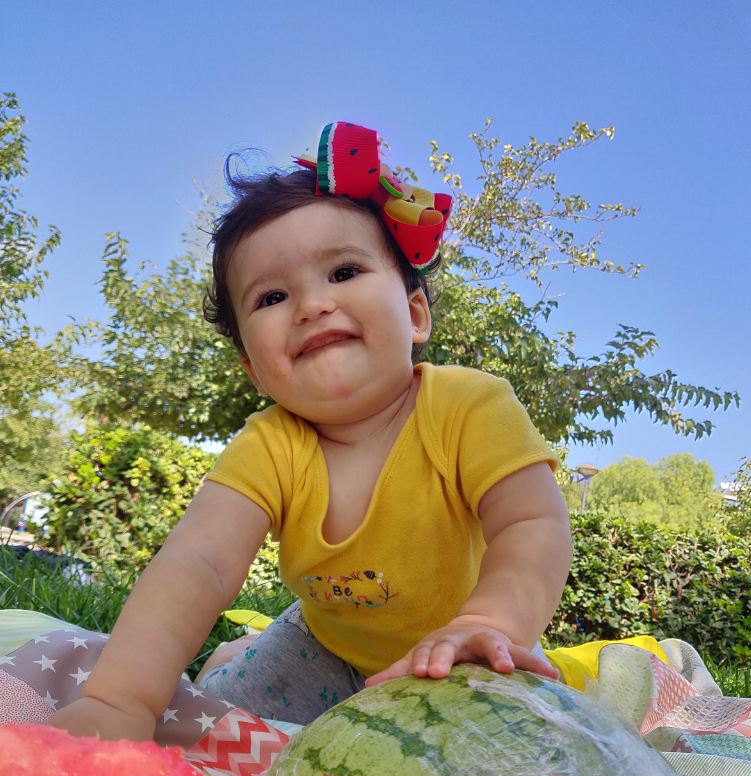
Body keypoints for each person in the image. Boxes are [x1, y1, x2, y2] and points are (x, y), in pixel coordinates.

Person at [50, 121, 572, 741]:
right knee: (214, 722)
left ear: (414, 314)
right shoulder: (270, 444)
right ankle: (233, 658)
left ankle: (248, 648)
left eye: (344, 272)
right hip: (320, 648)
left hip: (466, 649)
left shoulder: (469, 405)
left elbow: (531, 523)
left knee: (530, 756)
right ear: (253, 369)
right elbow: (198, 562)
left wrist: (492, 622)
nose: (312, 305)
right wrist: (119, 700)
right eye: (271, 297)